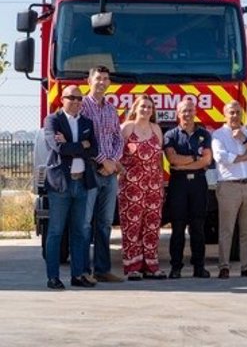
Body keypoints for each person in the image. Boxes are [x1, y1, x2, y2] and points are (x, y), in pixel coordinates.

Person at [43, 85, 99, 289]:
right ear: (62, 99)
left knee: (80, 232)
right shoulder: (52, 120)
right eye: (72, 97)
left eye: (79, 98)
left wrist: (73, 146)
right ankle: (53, 277)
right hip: (60, 185)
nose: (76, 101)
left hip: (82, 183)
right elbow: (58, 148)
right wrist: (80, 146)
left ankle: (77, 275)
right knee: (56, 232)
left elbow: (94, 149)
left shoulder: (87, 122)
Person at [80, 66, 125, 283]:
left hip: (110, 174)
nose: (101, 82)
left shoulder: (110, 109)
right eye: (98, 78)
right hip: (91, 171)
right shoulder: (82, 107)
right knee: (85, 223)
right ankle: (83, 270)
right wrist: (102, 161)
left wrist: (114, 162)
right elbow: (84, 140)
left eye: (105, 79)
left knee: (105, 223)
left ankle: (102, 269)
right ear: (89, 80)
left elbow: (118, 138)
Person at [212, 100, 247, 279]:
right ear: (224, 114)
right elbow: (221, 157)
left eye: (237, 112)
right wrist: (243, 157)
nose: (235, 116)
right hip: (229, 186)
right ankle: (224, 266)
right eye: (231, 112)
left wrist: (245, 141)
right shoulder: (218, 135)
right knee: (227, 228)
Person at [163, 98, 213, 279]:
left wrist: (184, 163)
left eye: (190, 110)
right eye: (184, 110)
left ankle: (199, 267)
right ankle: (176, 267)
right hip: (179, 185)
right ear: (178, 113)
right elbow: (172, 159)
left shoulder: (204, 134)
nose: (187, 114)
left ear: (195, 112)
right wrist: (195, 158)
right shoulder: (171, 135)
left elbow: (207, 160)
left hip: (199, 184)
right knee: (177, 227)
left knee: (198, 227)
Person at [118, 94, 166, 280]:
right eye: (143, 106)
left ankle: (151, 266)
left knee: (152, 225)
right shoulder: (127, 128)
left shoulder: (156, 129)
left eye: (149, 107)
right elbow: (117, 154)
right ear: (135, 108)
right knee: (132, 225)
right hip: (131, 184)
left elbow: (159, 158)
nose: (146, 110)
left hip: (153, 184)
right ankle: (133, 267)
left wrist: (160, 183)